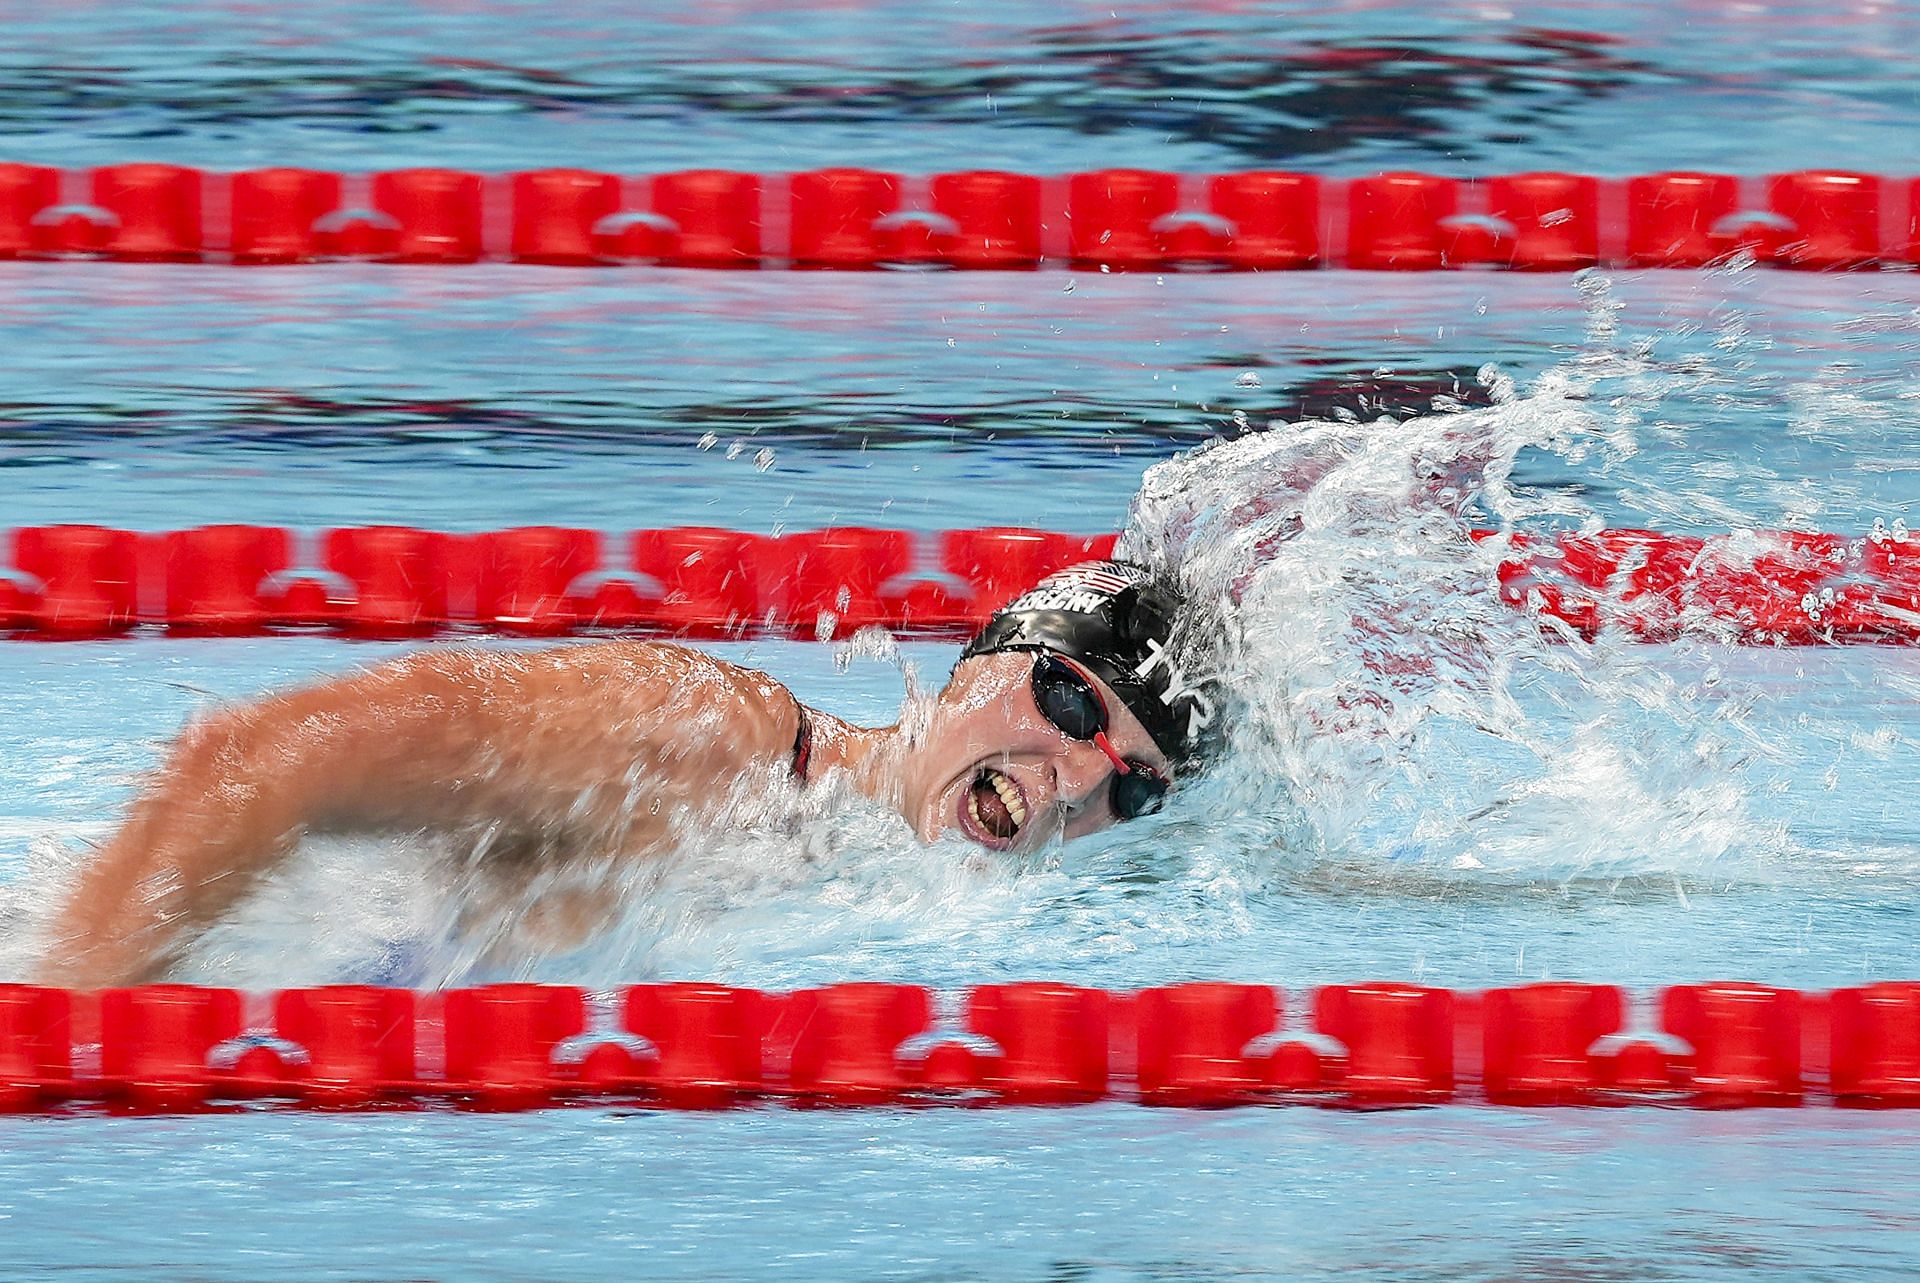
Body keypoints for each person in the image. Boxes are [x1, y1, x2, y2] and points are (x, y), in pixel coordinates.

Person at [37, 559, 1222, 988]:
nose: (1073, 775)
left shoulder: (888, 910)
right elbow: (257, 762)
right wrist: (74, 1035)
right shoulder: (713, 737)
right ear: (978, 657)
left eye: (1132, 784)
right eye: (1070, 698)